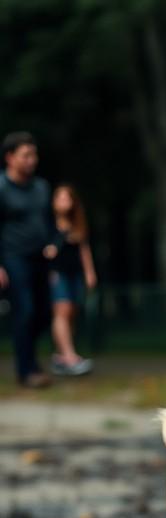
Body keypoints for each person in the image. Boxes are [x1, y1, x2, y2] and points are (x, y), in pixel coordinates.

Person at [0, 131, 55, 388]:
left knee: (43, 314)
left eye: (34, 154)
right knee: (25, 311)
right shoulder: (1, 187)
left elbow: (49, 222)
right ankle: (27, 371)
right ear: (10, 158)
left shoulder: (41, 188)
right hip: (13, 257)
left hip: (40, 258)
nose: (32, 160)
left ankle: (30, 360)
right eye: (26, 155)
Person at [48, 184, 96, 376]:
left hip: (74, 273)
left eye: (67, 198)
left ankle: (61, 355)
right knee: (62, 310)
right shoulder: (48, 224)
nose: (63, 202)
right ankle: (70, 356)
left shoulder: (77, 226)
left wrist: (89, 272)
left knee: (71, 312)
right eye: (60, 198)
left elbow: (84, 250)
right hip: (56, 273)